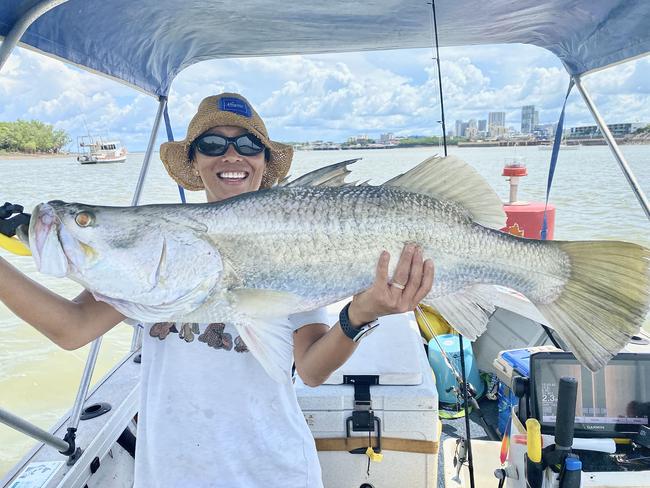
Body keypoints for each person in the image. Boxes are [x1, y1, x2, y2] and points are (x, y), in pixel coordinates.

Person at [0, 92, 434, 487]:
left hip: (275, 472)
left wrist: (361, 314)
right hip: (170, 475)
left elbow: (313, 370)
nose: (232, 155)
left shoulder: (294, 235)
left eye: (248, 145)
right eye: (212, 145)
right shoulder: (156, 247)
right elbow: (70, 329)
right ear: (193, 161)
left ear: (264, 161)